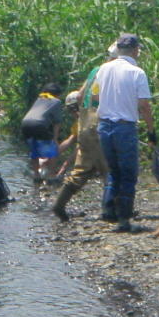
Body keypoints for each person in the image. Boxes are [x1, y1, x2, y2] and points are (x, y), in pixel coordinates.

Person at [91, 33, 155, 233]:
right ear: (136, 51)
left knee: (113, 170)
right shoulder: (137, 72)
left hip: (104, 125)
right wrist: (152, 131)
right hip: (125, 127)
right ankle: (124, 219)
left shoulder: (103, 69)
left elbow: (94, 96)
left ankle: (108, 210)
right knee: (128, 173)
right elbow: (144, 106)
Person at [52, 50, 112, 222]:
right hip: (99, 124)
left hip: (84, 123)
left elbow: (79, 96)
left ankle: (59, 205)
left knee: (81, 169)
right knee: (109, 169)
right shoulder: (113, 71)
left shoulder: (96, 70)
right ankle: (111, 211)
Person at [21, 83, 67, 182]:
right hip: (39, 124)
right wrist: (55, 139)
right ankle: (50, 176)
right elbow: (57, 122)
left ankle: (36, 175)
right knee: (53, 151)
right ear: (57, 94)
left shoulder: (39, 99)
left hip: (25, 123)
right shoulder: (56, 101)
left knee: (34, 150)